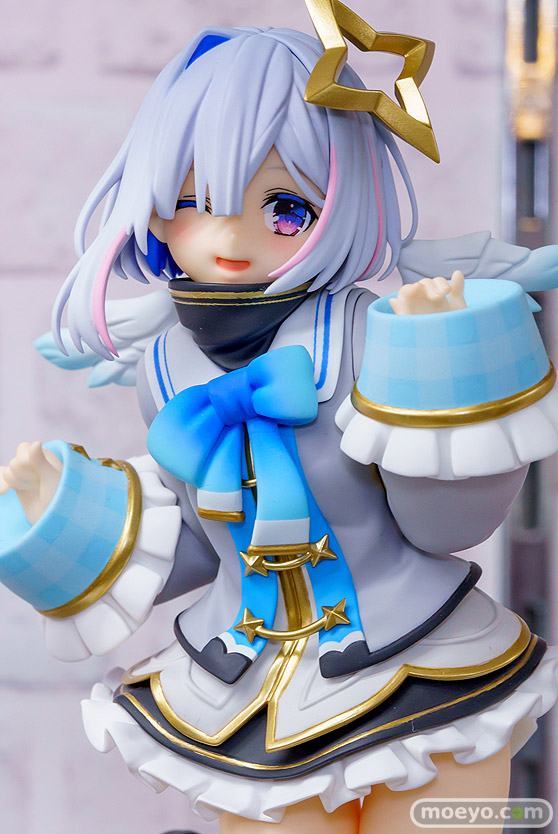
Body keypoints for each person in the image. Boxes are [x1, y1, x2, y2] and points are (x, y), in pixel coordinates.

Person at [2, 16, 558, 834]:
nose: (230, 237)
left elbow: (445, 529)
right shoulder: (166, 370)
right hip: (245, 687)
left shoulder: (370, 335)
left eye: (287, 207)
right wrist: (68, 519)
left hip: (421, 663)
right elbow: (205, 547)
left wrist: (443, 367)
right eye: (191, 203)